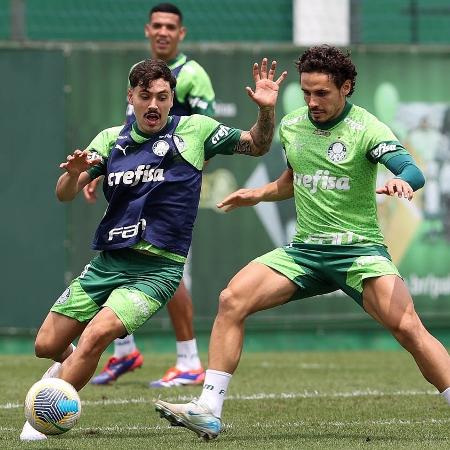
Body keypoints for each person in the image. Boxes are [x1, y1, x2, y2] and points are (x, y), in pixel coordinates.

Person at [154, 45, 450, 441]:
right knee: (232, 299)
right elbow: (293, 181)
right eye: (307, 92)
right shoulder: (292, 125)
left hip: (358, 251)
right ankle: (208, 408)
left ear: (346, 87)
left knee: (408, 328)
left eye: (322, 93)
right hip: (306, 253)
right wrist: (257, 194)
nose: (312, 102)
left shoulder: (367, 128)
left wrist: (402, 181)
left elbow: (410, 168)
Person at [20, 57, 287, 441]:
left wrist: (266, 111)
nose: (153, 105)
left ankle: (45, 418)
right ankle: (66, 369)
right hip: (108, 262)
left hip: (156, 271)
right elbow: (64, 195)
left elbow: (258, 146)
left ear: (171, 98)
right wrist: (74, 173)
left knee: (97, 335)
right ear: (131, 96)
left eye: (162, 97)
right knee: (46, 345)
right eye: (145, 96)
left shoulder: (195, 130)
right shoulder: (111, 139)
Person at [87, 2, 217, 388]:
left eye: (170, 26)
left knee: (167, 272)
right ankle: (125, 353)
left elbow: (205, 138)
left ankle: (189, 360)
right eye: (156, 25)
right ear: (147, 30)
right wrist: (98, 171)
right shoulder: (141, 76)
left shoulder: (192, 75)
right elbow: (127, 138)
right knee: (116, 259)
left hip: (167, 199)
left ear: (181, 34)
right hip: (131, 189)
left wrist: (178, 183)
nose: (163, 31)